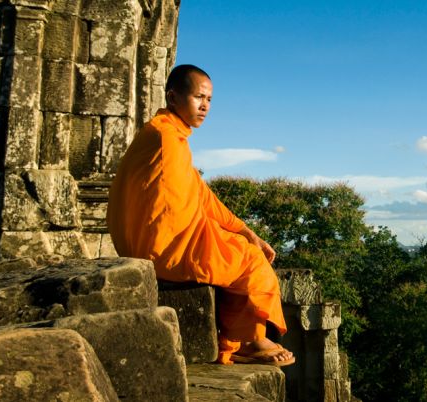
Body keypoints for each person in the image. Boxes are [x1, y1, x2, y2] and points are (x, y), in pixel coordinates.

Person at [107, 64, 294, 366]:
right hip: (162, 248)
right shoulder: (164, 139)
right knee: (251, 261)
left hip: (150, 241)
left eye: (209, 99)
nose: (205, 106)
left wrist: (245, 231)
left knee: (242, 248)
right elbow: (176, 209)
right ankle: (250, 342)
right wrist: (236, 238)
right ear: (173, 97)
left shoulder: (167, 134)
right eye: (198, 97)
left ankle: (239, 339)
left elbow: (199, 196)